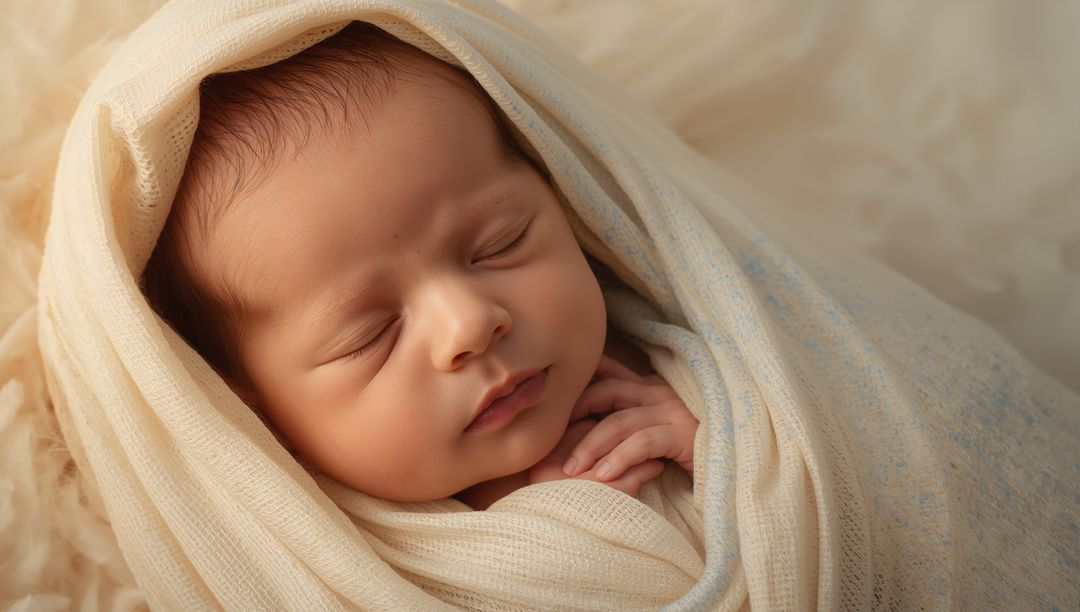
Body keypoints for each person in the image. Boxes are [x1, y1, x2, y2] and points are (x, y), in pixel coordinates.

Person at [141, 21, 698, 510]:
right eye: (370, 335)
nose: (470, 325)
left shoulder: (689, 374)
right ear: (250, 407)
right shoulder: (343, 568)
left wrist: (724, 448)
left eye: (501, 244)